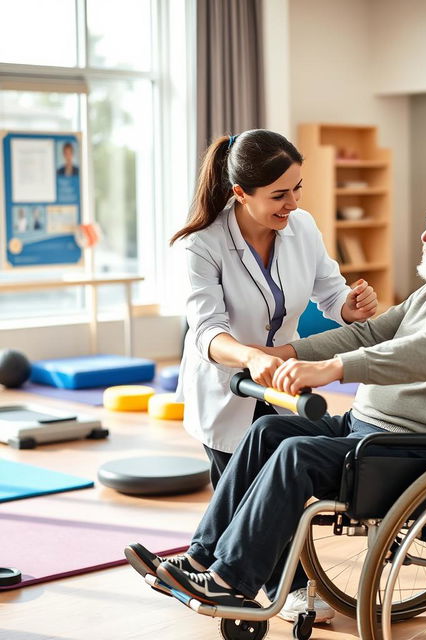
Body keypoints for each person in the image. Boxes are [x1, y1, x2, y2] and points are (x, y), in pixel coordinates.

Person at [126, 174, 426, 618]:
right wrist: (275, 355)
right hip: (370, 432)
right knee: (267, 430)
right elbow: (369, 333)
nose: (425, 234)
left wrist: (332, 370)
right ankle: (202, 557)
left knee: (296, 455)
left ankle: (231, 582)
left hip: (418, 447)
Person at [125, 129, 377, 622]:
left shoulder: (302, 228)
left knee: (275, 483)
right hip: (228, 381)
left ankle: (205, 569)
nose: (293, 203)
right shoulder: (203, 244)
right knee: (241, 492)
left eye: (298, 188)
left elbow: (330, 295)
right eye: (279, 195)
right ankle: (271, 589)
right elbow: (207, 331)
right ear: (241, 193)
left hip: (282, 375)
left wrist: (350, 305)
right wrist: (250, 357)